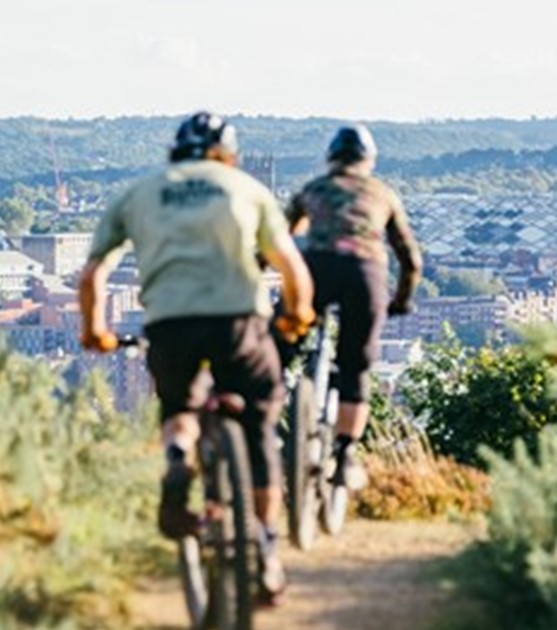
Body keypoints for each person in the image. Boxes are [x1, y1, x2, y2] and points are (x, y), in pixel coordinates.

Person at [78, 111, 314, 602]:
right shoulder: (244, 187)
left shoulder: (140, 192)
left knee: (180, 409)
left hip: (169, 323)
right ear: (227, 154)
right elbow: (291, 266)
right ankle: (266, 550)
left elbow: (92, 276)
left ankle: (177, 459)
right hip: (238, 322)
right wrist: (296, 315)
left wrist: (95, 331)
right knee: (259, 429)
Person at [279, 124, 423, 488]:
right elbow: (409, 259)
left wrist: (257, 271)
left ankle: (268, 403)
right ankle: (344, 455)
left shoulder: (312, 190)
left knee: (280, 342)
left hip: (317, 271)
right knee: (355, 365)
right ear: (368, 161)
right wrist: (401, 300)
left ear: (331, 159)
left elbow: (280, 240)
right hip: (365, 274)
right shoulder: (382, 195)